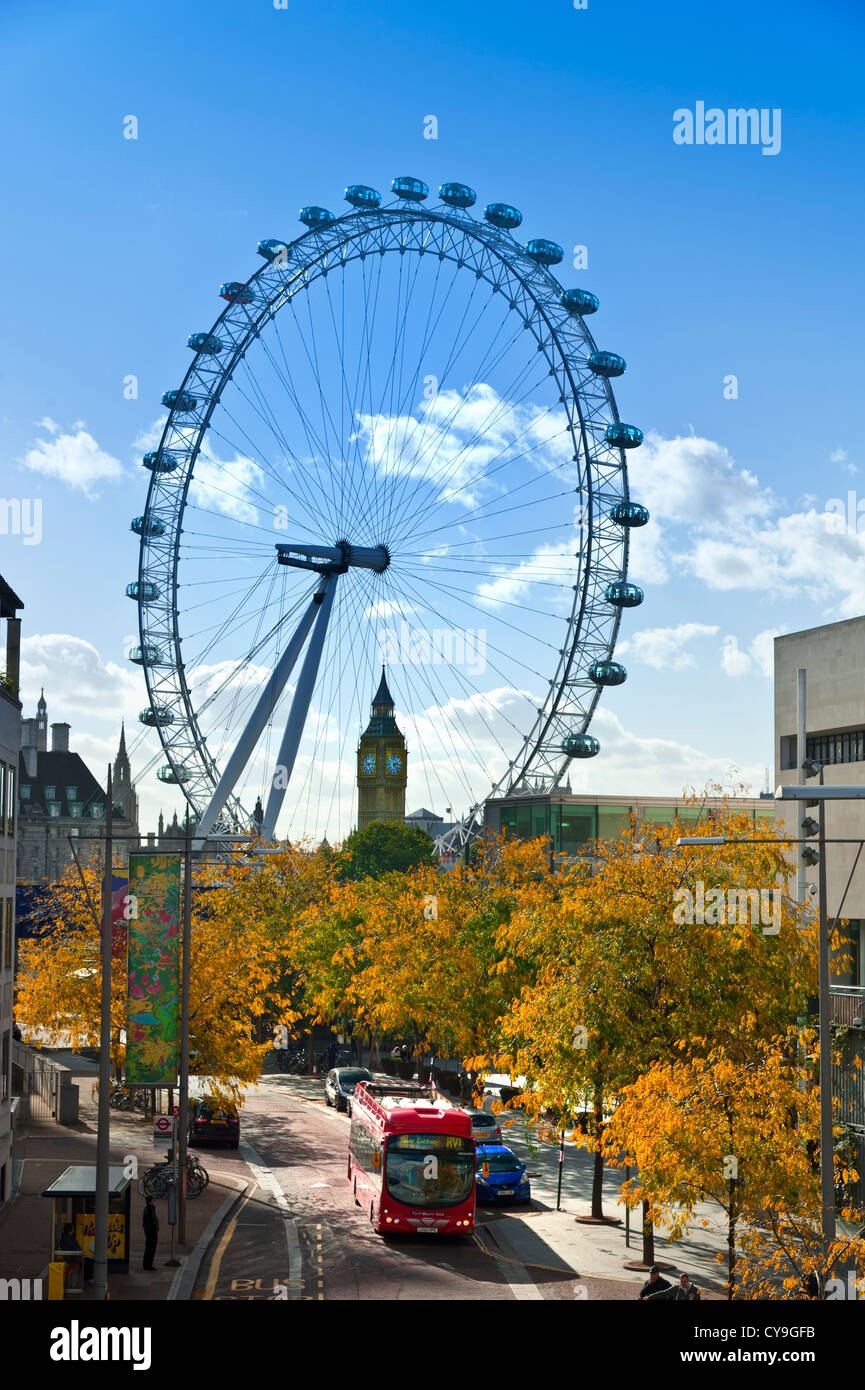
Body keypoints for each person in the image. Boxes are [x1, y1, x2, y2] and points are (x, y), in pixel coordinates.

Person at [142, 1195, 159, 1270]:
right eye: (153, 1200)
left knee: (150, 1249)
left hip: (152, 1231)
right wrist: (151, 1232)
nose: (154, 1201)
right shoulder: (148, 1210)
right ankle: (148, 1265)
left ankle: (147, 1264)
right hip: (151, 1233)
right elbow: (148, 1223)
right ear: (150, 1202)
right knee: (150, 1249)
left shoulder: (151, 1208)